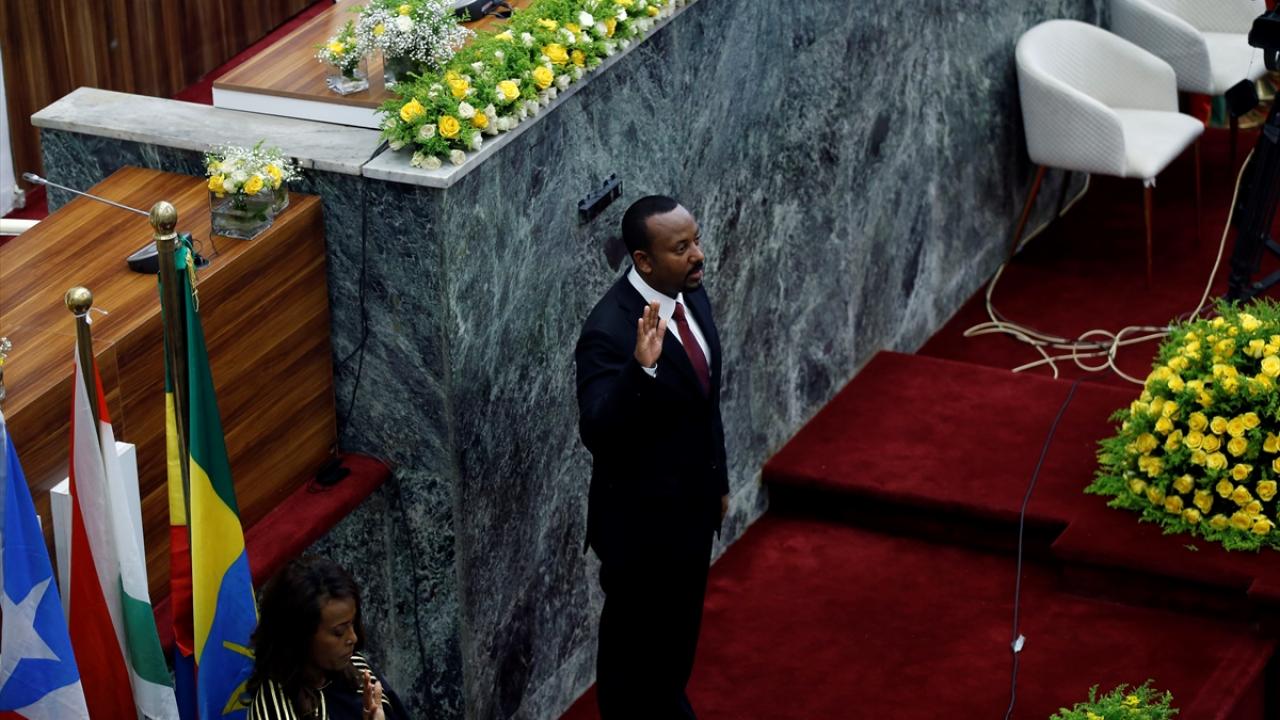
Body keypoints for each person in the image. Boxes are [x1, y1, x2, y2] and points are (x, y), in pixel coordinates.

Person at [575, 195, 730, 719]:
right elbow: (597, 430)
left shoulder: (691, 295)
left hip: (693, 516)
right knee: (631, 667)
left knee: (674, 652)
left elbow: (706, 404)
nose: (698, 255)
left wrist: (719, 482)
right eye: (681, 248)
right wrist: (639, 373)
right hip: (640, 535)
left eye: (696, 240)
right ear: (643, 260)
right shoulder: (608, 330)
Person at [244, 556, 408, 720]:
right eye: (339, 632)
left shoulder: (358, 671)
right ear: (300, 637)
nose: (353, 638)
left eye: (352, 623)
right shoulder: (273, 712)